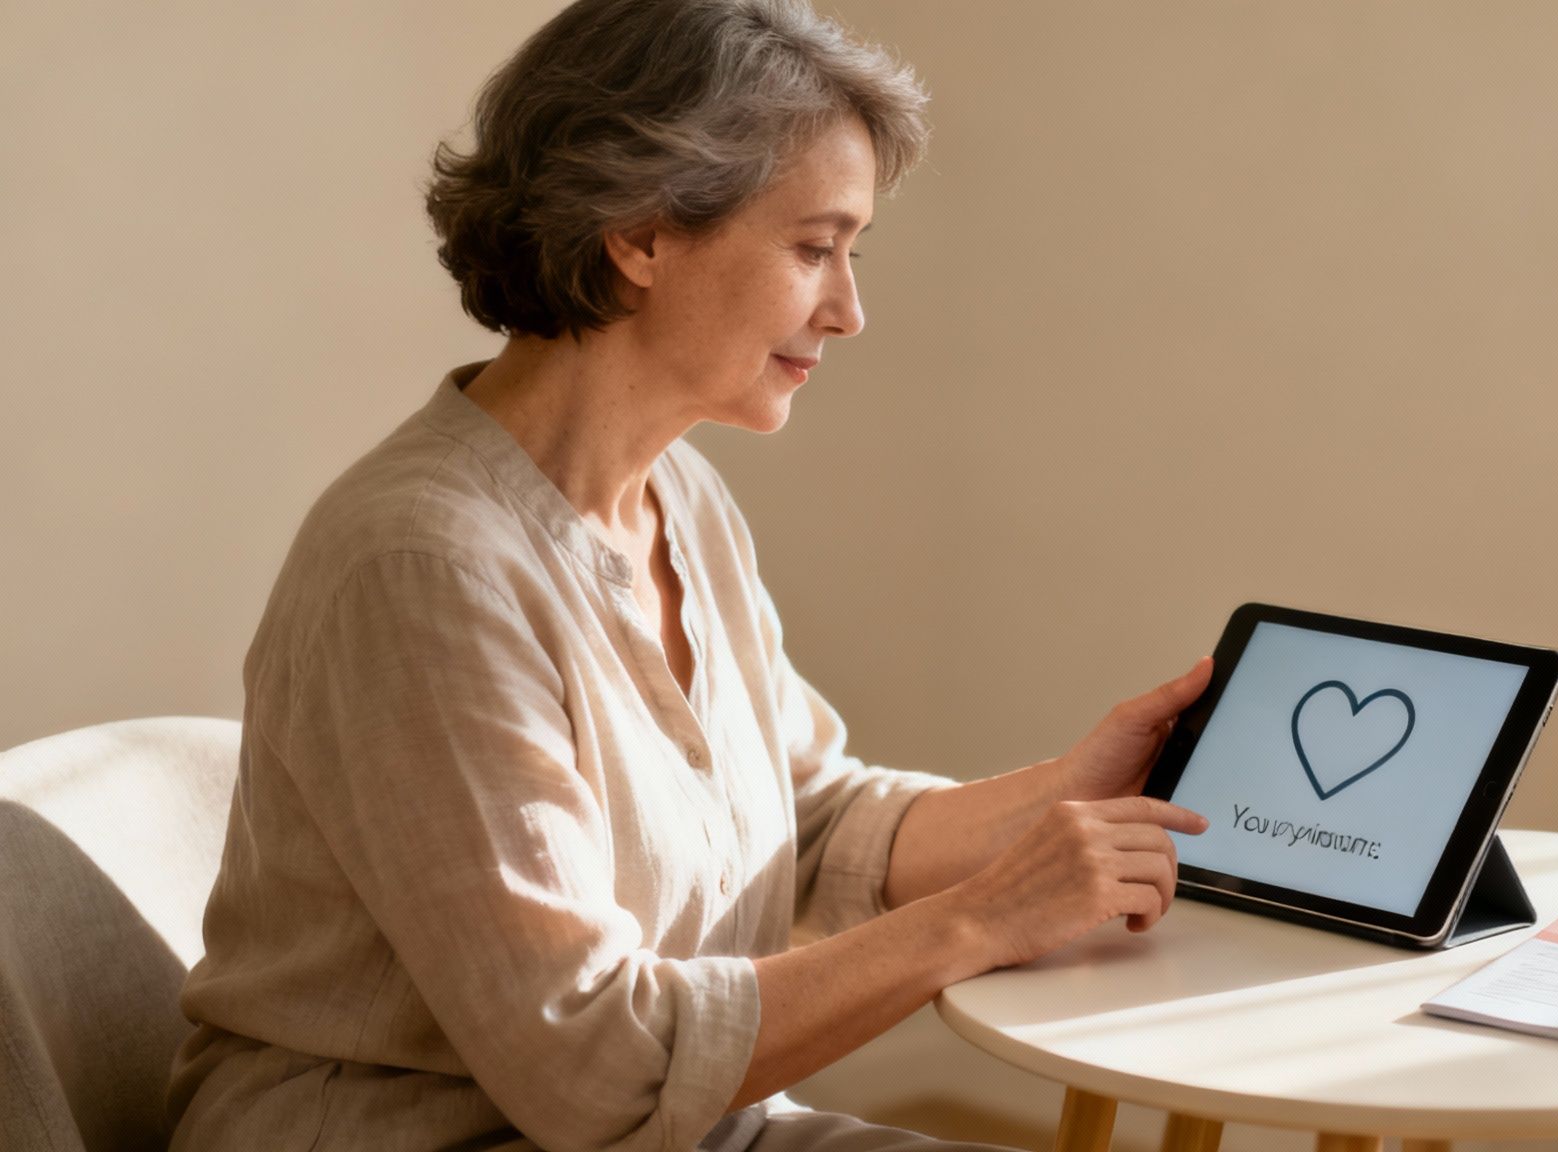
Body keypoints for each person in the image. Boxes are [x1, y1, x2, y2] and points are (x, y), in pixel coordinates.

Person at [166, 1, 1213, 1149]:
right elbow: (592, 1064)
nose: (850, 310)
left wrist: (1070, 790)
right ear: (643, 233)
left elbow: (807, 827)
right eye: (814, 248)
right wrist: (979, 922)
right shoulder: (422, 567)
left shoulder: (680, 498)